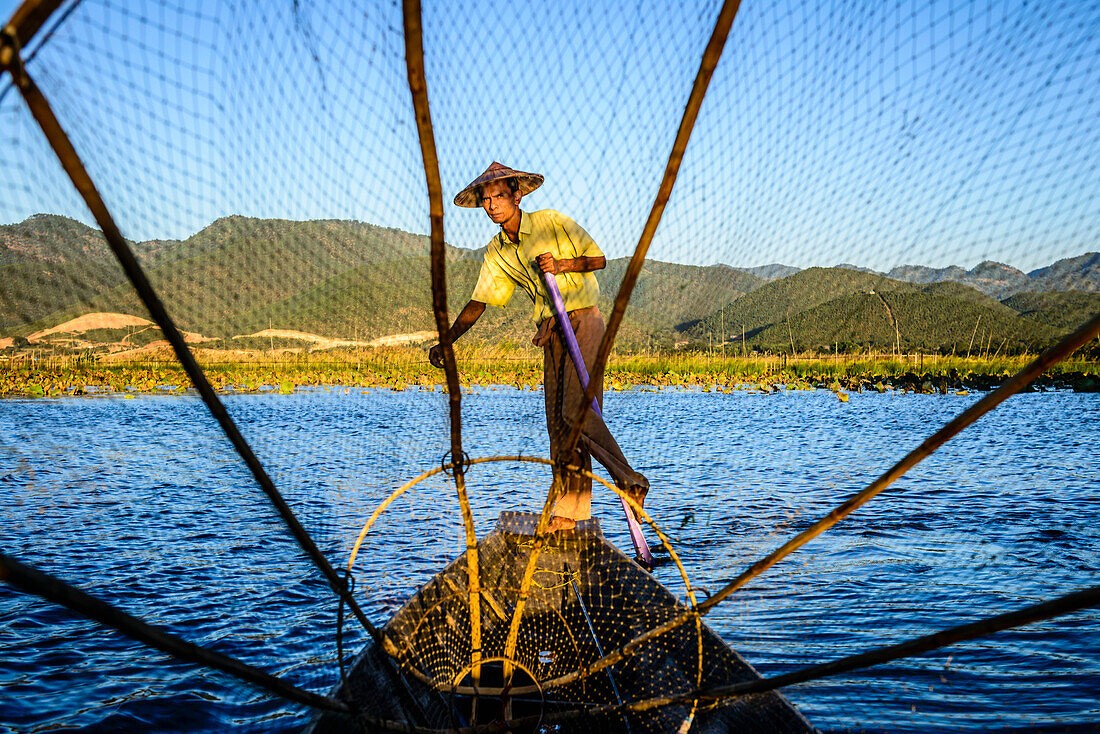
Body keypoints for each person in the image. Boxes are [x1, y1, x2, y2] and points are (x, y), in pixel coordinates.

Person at [429, 162, 648, 532]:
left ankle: (630, 480)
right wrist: (447, 342)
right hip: (551, 331)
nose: (492, 205)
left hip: (582, 319)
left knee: (575, 408)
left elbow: (599, 259)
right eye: (486, 199)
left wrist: (562, 264)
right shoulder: (497, 250)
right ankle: (570, 512)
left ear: (516, 195)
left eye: (499, 196)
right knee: (558, 423)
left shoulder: (550, 221)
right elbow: (479, 302)